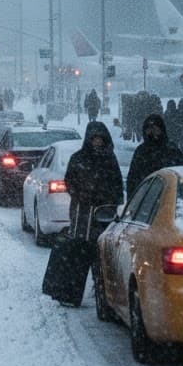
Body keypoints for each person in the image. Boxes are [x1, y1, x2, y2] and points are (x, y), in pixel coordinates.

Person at [53, 120, 123, 306]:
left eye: (100, 139)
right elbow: (69, 181)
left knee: (101, 258)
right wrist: (80, 194)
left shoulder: (109, 159)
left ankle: (104, 297)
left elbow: (117, 185)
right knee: (79, 257)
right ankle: (71, 295)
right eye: (94, 139)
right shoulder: (79, 158)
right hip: (82, 215)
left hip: (102, 216)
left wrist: (108, 200)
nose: (97, 143)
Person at [125, 113, 183, 201]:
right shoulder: (141, 151)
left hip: (169, 198)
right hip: (145, 200)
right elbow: (132, 179)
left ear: (161, 129)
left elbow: (182, 175)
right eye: (149, 129)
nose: (152, 132)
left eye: (155, 128)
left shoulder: (172, 150)